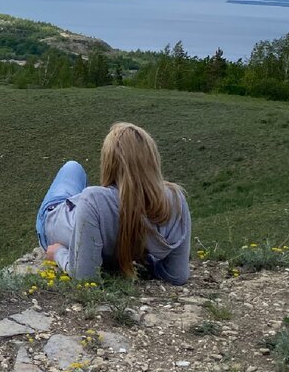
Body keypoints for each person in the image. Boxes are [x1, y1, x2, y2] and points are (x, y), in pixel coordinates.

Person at [36, 122, 190, 284]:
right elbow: (177, 275)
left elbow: (85, 277)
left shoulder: (94, 199)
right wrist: (146, 260)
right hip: (88, 208)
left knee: (73, 167)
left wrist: (58, 253)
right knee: (80, 182)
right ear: (152, 161)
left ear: (109, 163)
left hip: (53, 217)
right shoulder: (176, 199)